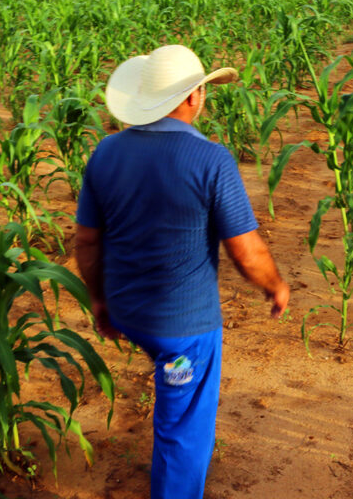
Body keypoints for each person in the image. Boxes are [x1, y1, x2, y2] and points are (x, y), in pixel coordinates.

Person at [75, 43, 290, 499]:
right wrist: (275, 286)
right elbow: (245, 252)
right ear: (195, 97)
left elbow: (87, 242)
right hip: (181, 329)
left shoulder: (106, 153)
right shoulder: (211, 160)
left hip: (128, 312)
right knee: (182, 433)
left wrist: (99, 301)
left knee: (170, 382)